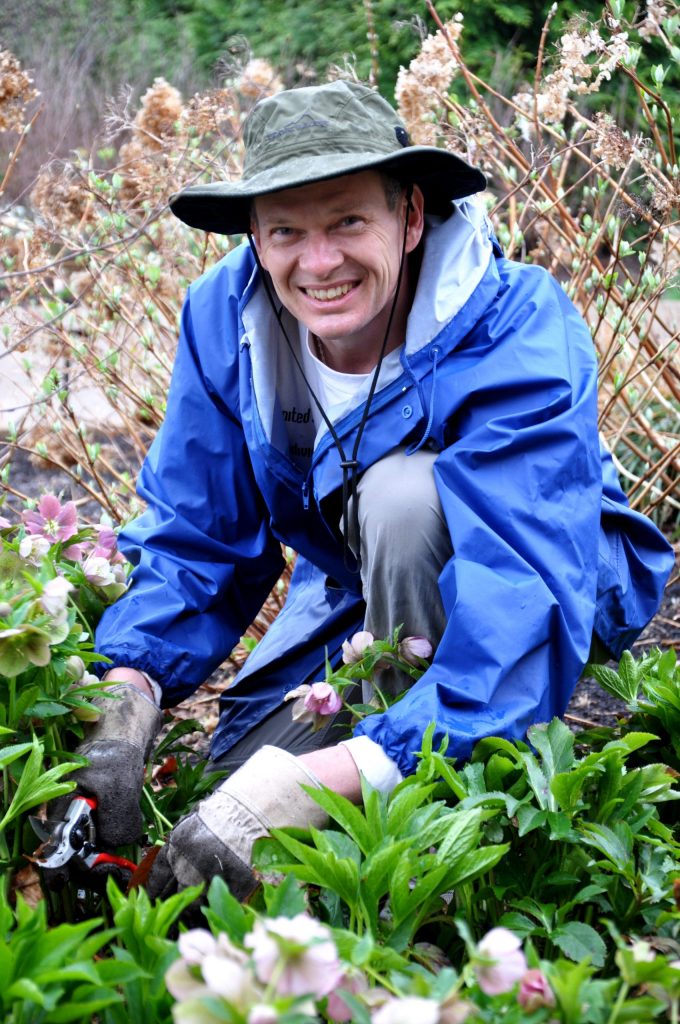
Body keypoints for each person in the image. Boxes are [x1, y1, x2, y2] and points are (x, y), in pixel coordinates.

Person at [64, 80, 673, 899]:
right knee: (219, 817)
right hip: (355, 583)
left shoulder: (513, 321)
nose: (319, 263)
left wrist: (348, 771)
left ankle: (436, 837)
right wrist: (128, 682)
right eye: (287, 230)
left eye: (349, 221)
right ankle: (392, 744)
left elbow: (523, 578)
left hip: (543, 571)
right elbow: (200, 535)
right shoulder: (227, 318)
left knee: (404, 499)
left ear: (412, 216)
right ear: (254, 235)